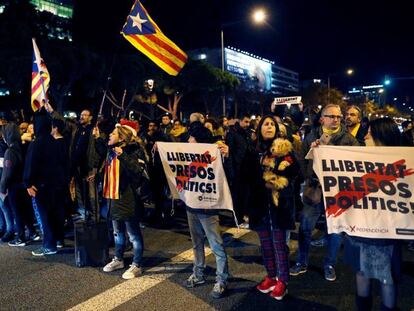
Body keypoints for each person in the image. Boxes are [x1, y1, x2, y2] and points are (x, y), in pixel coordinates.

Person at [290, 104, 359, 281]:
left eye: (338, 117)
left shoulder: (349, 140)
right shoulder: (311, 136)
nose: (336, 119)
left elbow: (357, 164)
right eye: (331, 116)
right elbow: (302, 161)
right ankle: (302, 261)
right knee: (305, 228)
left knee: (335, 231)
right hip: (314, 190)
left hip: (337, 193)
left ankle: (329, 264)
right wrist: (312, 162)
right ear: (322, 119)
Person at [345, 117, 403, 311]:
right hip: (361, 230)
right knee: (362, 273)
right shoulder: (358, 159)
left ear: (383, 135)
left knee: (386, 277)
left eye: (370, 131)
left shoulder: (403, 163)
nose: (366, 134)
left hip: (386, 233)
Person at [246, 115, 300, 300]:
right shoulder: (252, 149)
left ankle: (283, 281)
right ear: (260, 128)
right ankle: (271, 276)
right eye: (265, 124)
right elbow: (245, 174)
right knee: (265, 245)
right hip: (259, 206)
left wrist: (280, 169)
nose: (269, 126)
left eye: (272, 124)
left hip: (279, 205)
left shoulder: (284, 147)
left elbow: (295, 171)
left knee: (279, 245)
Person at [184, 125, 230, 299]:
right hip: (191, 205)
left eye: (191, 137)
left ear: (198, 139)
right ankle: (199, 274)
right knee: (197, 243)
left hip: (208, 207)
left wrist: (225, 153)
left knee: (216, 244)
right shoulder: (188, 154)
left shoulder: (214, 152)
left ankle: (222, 279)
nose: (188, 141)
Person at [100, 124, 145, 280]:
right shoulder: (110, 151)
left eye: (113, 134)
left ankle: (137, 264)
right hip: (112, 198)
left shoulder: (133, 150)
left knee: (133, 234)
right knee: (117, 232)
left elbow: (137, 172)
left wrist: (123, 155)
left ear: (122, 137)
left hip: (128, 199)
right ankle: (118, 259)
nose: (109, 136)